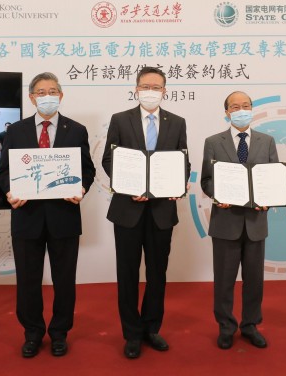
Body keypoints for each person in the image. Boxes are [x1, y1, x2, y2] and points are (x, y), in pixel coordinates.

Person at [0, 72, 95, 358]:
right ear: (31, 97)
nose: (47, 96)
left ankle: (60, 333)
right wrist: (10, 192)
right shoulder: (15, 130)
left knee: (64, 281)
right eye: (41, 92)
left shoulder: (76, 130)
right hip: (27, 217)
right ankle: (33, 333)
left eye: (52, 91)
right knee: (28, 281)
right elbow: (4, 172)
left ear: (61, 96)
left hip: (64, 216)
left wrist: (82, 187)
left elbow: (86, 169)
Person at [101, 66, 190, 359]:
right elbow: (108, 160)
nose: (150, 91)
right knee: (127, 274)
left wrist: (177, 184)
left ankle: (152, 327)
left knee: (157, 273)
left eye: (156, 86)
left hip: (162, 210)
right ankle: (132, 334)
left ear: (164, 90)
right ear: (136, 89)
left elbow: (183, 162)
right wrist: (129, 186)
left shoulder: (177, 122)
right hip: (128, 209)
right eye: (145, 86)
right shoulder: (120, 119)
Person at [200, 91, 278, 350]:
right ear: (227, 112)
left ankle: (250, 325)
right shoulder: (213, 142)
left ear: (252, 109)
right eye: (235, 106)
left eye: (246, 105)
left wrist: (271, 197)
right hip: (225, 221)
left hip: (256, 221)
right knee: (224, 280)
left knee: (254, 279)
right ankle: (226, 326)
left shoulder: (267, 141)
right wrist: (216, 194)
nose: (241, 109)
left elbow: (273, 177)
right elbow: (206, 179)